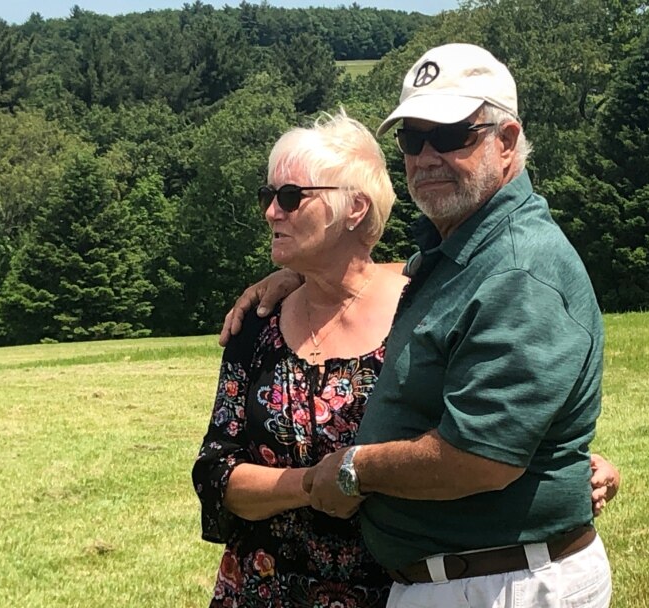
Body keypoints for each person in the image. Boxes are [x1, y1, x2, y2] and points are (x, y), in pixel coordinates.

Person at [219, 43, 615, 608]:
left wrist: (352, 470)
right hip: (459, 578)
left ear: (505, 142)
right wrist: (297, 279)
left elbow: (481, 456)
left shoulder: (519, 269)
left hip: (498, 583)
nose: (426, 155)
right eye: (411, 138)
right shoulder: (456, 257)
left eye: (452, 134)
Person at [193, 110, 408, 606]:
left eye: (291, 197)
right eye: (267, 196)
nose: (271, 212)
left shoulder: (420, 316)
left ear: (355, 208)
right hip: (262, 590)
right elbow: (216, 471)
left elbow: (466, 440)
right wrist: (310, 484)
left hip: (390, 592)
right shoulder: (258, 323)